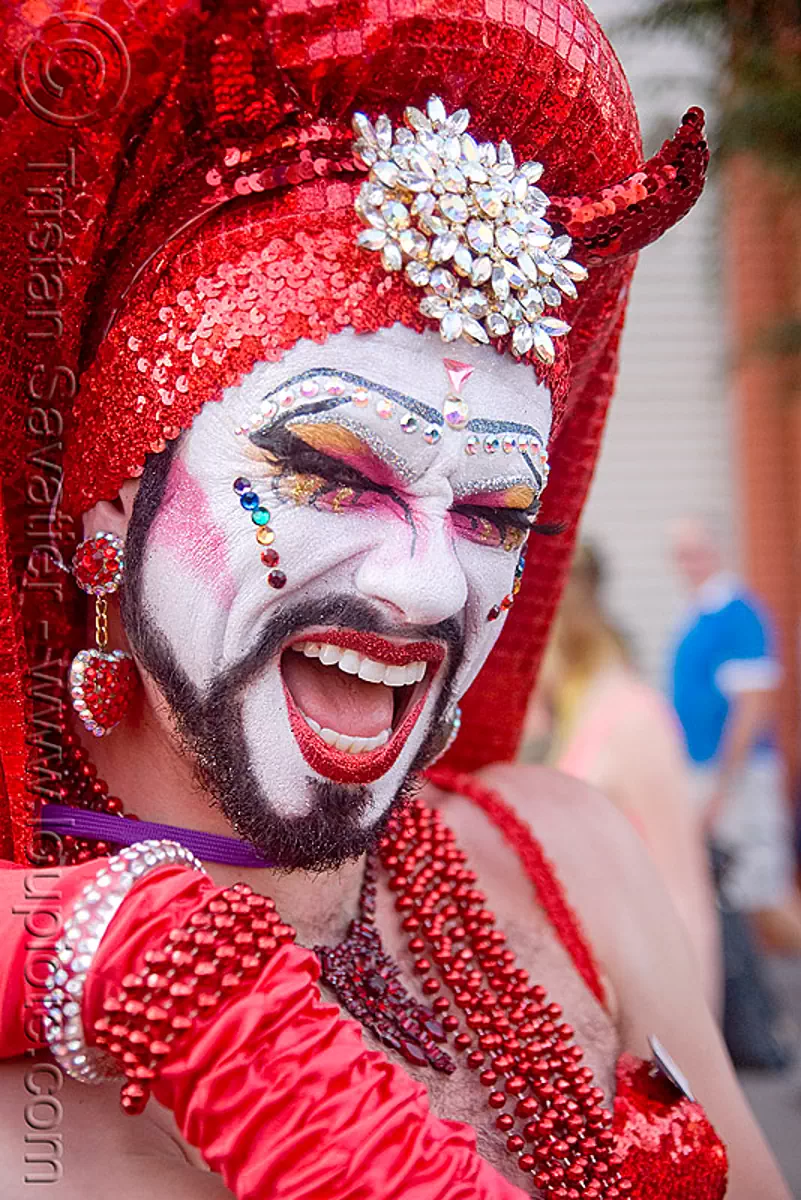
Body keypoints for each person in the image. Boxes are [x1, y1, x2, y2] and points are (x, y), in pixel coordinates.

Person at [0, 1, 789, 1197]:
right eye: (330, 474)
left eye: (489, 516)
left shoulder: (570, 858)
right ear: (110, 514)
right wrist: (150, 966)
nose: (424, 587)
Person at [521, 545, 720, 1011]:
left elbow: (685, 895)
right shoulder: (530, 718)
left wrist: (692, 1057)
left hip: (628, 1005)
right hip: (548, 1012)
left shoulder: (632, 716)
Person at [668, 516, 801, 951]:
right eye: (681, 555)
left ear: (717, 551)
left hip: (737, 774)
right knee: (732, 896)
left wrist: (724, 785)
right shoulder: (697, 614)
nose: (689, 564)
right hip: (704, 771)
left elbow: (753, 707)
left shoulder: (739, 614)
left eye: (696, 552)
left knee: (765, 892)